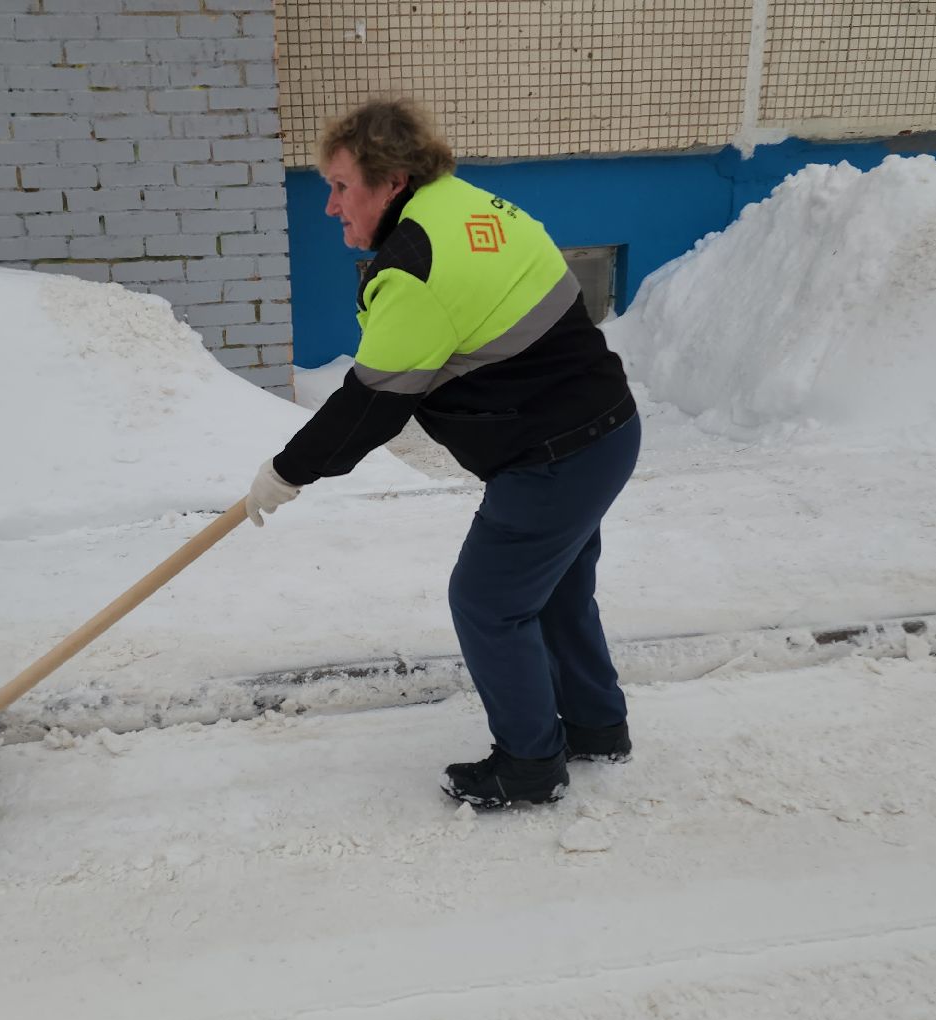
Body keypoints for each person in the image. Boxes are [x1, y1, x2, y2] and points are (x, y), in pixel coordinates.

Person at [245, 99, 641, 809]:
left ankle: (529, 763)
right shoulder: (467, 204)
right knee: (553, 591)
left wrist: (286, 471)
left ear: (391, 180)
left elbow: (369, 405)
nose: (331, 205)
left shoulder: (416, 267)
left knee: (488, 603)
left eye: (341, 186)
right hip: (605, 430)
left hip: (552, 456)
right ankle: (595, 725)